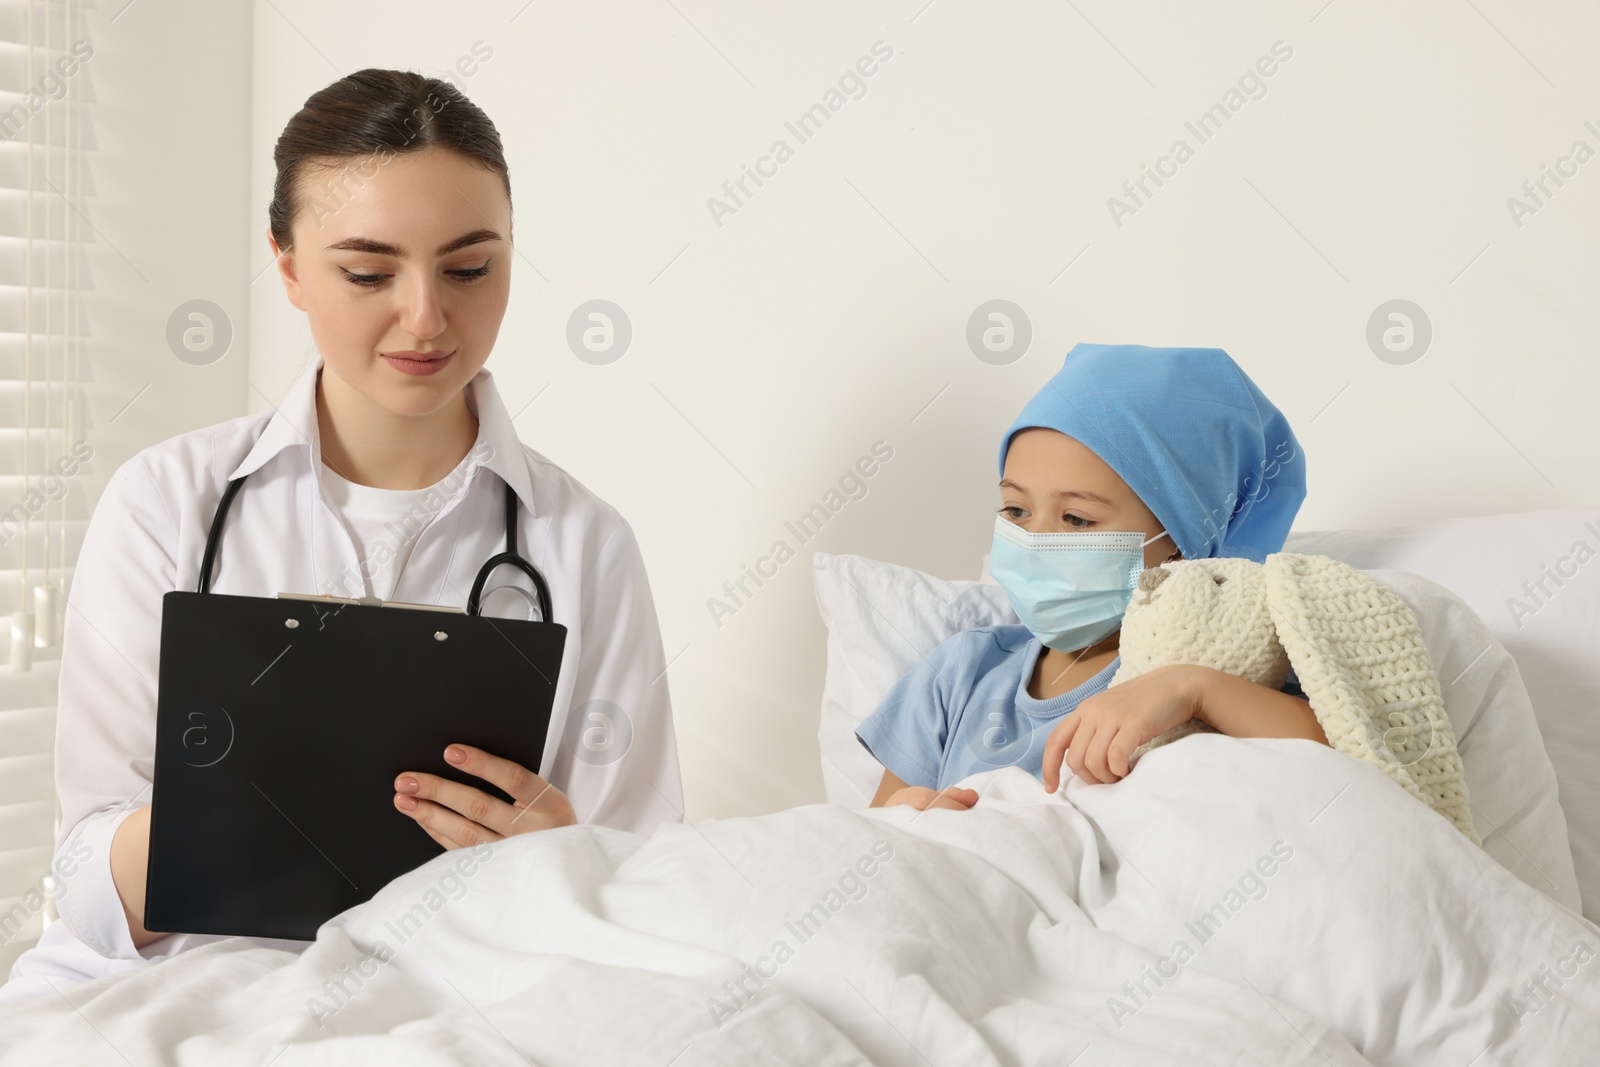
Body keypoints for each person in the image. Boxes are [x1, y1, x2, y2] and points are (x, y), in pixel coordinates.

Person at [0, 69, 683, 1001]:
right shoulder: (165, 504)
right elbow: (83, 882)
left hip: (460, 1002)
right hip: (180, 995)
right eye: (368, 272)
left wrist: (563, 859)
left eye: (470, 267)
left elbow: (647, 893)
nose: (427, 317)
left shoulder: (585, 546)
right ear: (286, 266)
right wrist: (232, 815)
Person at [858, 343, 1328, 812]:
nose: (1035, 540)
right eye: (1016, 510)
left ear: (1185, 543)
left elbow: (1350, 746)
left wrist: (1193, 690)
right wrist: (912, 816)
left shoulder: (1228, 674)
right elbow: (871, 837)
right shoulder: (960, 675)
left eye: (1077, 519)